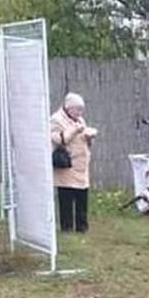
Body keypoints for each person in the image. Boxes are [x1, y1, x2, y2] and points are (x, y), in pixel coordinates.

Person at [50, 91, 97, 233]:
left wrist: (89, 137)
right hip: (67, 165)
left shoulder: (80, 119)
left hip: (81, 165)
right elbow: (59, 139)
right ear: (69, 108)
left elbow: (84, 139)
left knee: (82, 196)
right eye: (78, 109)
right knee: (66, 196)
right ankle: (67, 227)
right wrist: (75, 129)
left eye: (82, 110)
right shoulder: (56, 119)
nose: (80, 113)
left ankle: (82, 227)